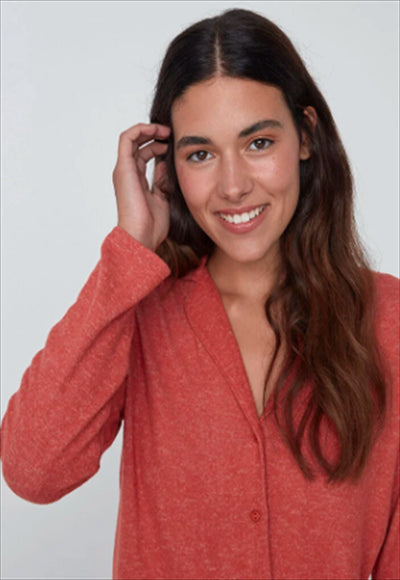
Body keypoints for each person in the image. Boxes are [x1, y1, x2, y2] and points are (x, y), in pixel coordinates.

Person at [1, 8, 399, 580]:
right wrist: (129, 250)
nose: (233, 186)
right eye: (201, 154)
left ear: (306, 136)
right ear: (168, 168)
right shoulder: (139, 312)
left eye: (258, 142)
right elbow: (32, 470)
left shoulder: (388, 321)